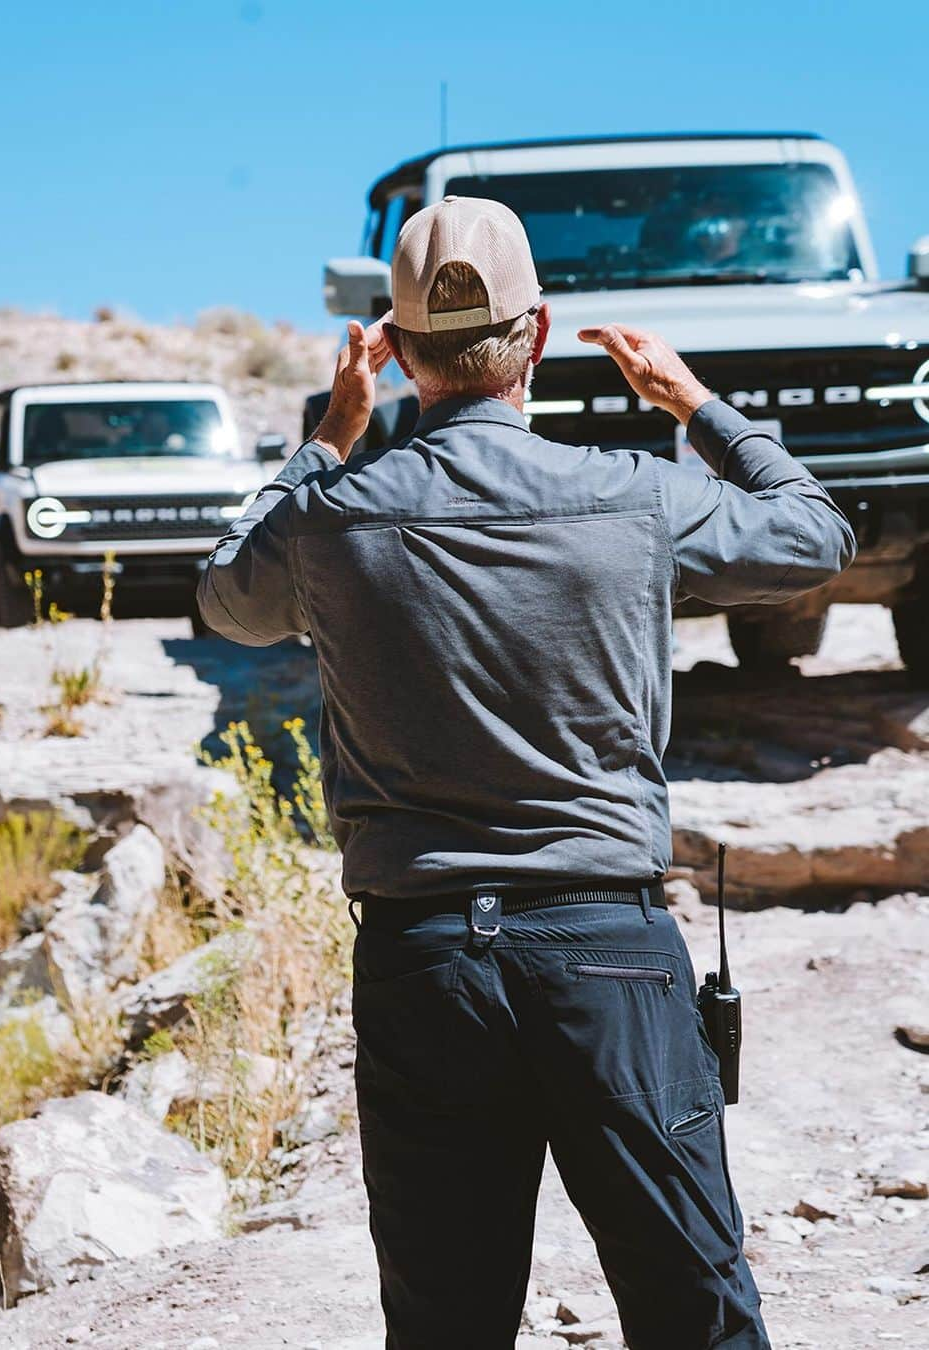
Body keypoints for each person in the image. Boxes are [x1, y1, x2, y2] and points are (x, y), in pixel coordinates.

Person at [196, 196, 855, 1349]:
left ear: (393, 354)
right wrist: (694, 404)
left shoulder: (332, 519)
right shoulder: (633, 496)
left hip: (422, 961)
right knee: (695, 1309)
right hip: (609, 952)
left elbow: (224, 593)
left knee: (446, 1325)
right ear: (537, 336)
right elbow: (812, 532)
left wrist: (328, 441)